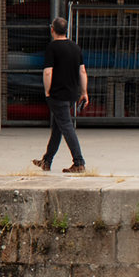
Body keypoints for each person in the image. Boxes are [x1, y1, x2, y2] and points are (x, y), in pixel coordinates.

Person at [32, 17, 88, 173]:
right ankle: (47, 160)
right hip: (71, 94)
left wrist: (47, 90)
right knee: (58, 127)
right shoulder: (75, 47)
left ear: (52, 30)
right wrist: (84, 92)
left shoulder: (52, 48)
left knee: (66, 127)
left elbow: (48, 72)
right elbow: (82, 71)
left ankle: (79, 162)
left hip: (57, 94)